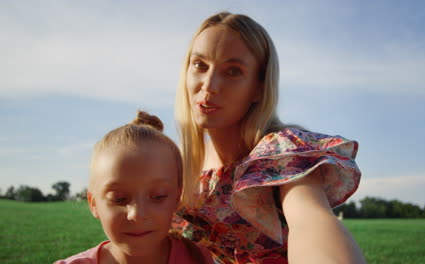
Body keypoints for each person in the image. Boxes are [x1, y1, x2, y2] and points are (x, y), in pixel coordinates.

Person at [172, 12, 367, 264]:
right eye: (200, 65)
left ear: (258, 88)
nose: (209, 85)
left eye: (233, 71)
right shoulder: (175, 164)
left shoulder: (277, 153)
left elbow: (309, 220)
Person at [54, 111, 213, 264]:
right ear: (93, 203)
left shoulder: (203, 259)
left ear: (177, 198)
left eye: (158, 196)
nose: (137, 214)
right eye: (119, 199)